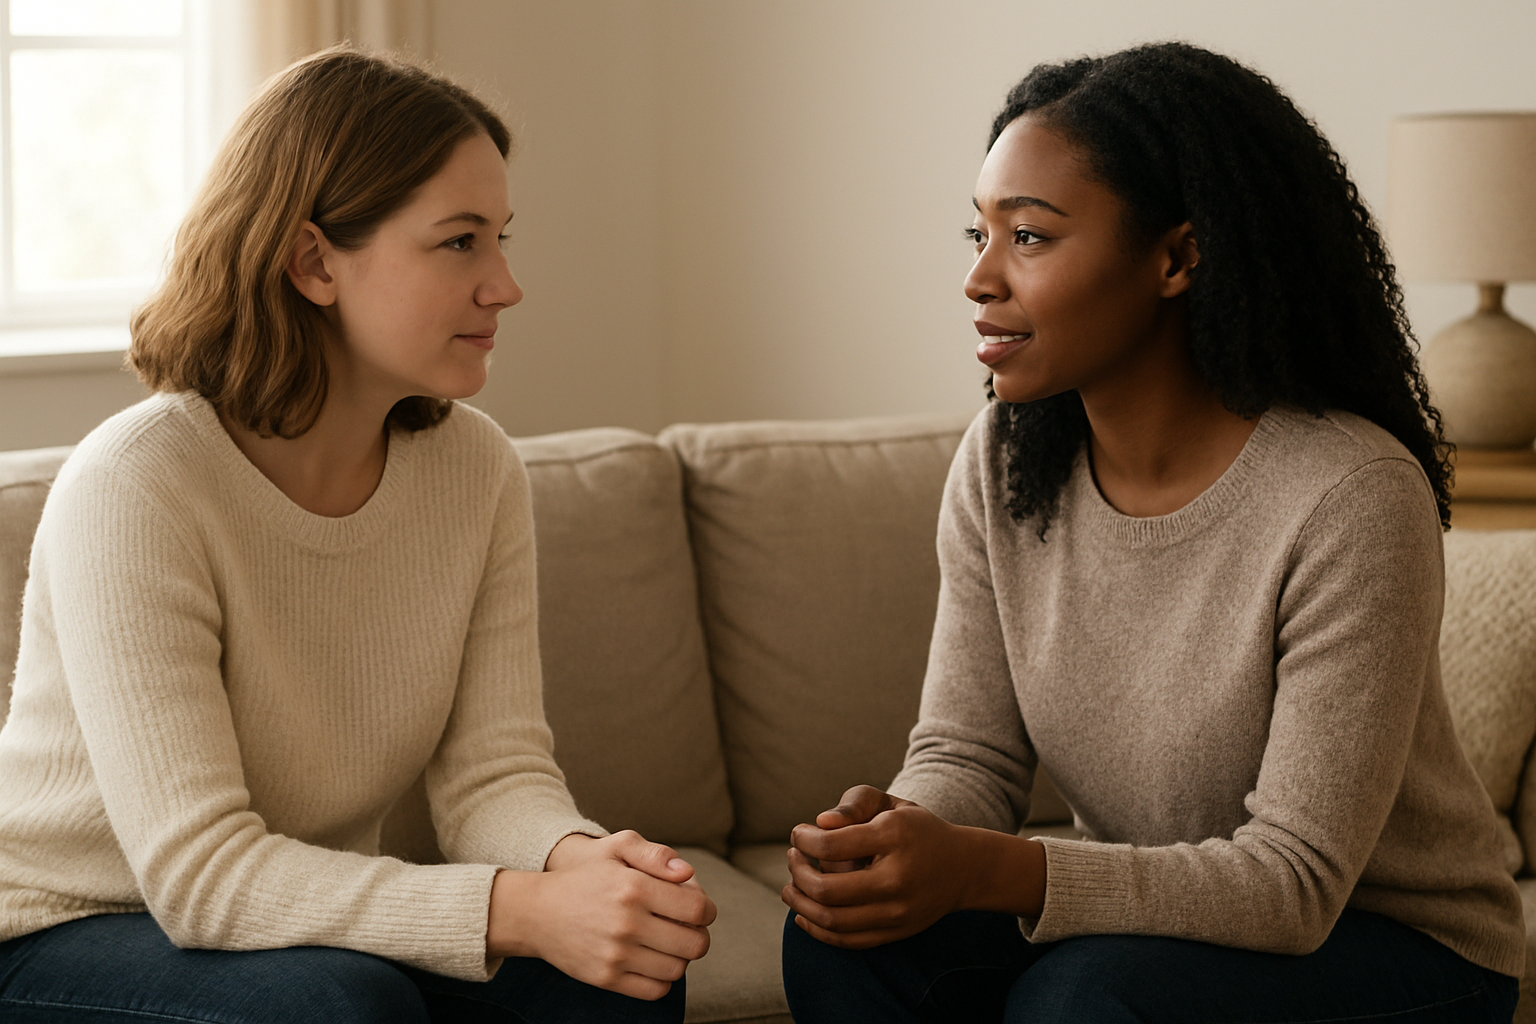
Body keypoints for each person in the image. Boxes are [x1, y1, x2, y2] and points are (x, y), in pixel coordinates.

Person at [779, 41, 1524, 1023]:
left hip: (1393, 943)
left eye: (1031, 238)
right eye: (979, 232)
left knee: (1089, 999)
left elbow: (1292, 882)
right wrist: (901, 842)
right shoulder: (1005, 459)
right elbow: (970, 757)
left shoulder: (1349, 493)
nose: (979, 278)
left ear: (1176, 256)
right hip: (1165, 921)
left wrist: (992, 869)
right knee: (851, 939)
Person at [0, 48, 714, 1024]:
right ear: (313, 262)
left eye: (501, 238)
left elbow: (491, 779)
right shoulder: (137, 483)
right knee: (339, 1005)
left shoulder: (477, 472)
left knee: (624, 972)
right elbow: (201, 873)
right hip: (60, 931)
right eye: (461, 242)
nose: (505, 284)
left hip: (288, 922)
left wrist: (585, 868)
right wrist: (516, 907)